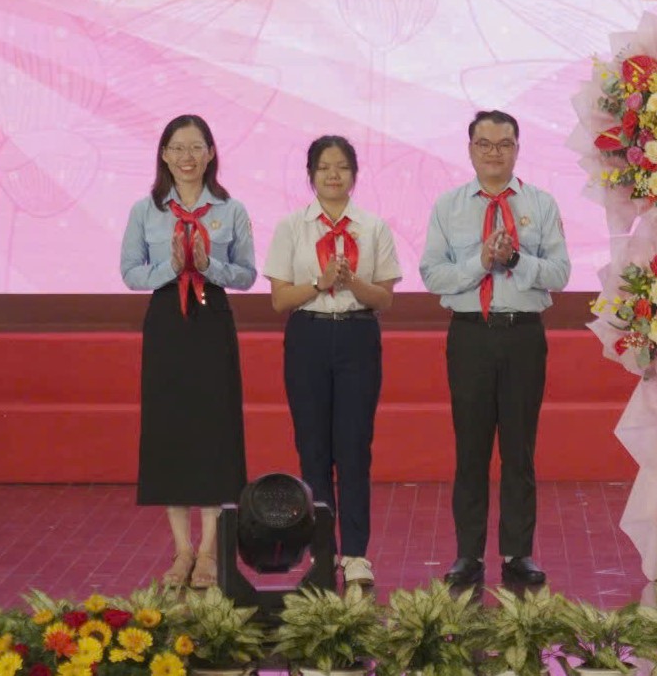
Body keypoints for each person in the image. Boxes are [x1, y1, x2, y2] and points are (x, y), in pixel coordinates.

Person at [418, 109, 570, 588]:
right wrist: (481, 261)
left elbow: (560, 273)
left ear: (517, 150)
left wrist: (516, 259)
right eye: (484, 144)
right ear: (470, 150)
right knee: (471, 449)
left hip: (523, 334)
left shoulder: (541, 203)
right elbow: (432, 274)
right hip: (471, 335)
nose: (494, 153)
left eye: (504, 144)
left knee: (520, 451)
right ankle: (467, 554)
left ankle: (517, 553)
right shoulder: (448, 206)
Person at [119, 113, 257, 589]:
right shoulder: (146, 210)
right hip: (166, 323)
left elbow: (247, 275)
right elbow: (130, 272)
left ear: (211, 153)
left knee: (213, 433)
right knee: (171, 433)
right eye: (177, 148)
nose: (187, 157)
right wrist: (171, 268)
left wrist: (208, 264)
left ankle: (209, 553)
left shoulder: (231, 209)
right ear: (163, 155)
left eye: (196, 147)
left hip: (211, 321)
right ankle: (181, 551)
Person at [262, 135, 401, 592]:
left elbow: (385, 298)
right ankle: (323, 552)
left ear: (355, 175)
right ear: (311, 175)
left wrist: (353, 282)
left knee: (355, 448)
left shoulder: (373, 227)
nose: (333, 175)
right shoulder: (292, 227)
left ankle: (356, 554)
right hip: (309, 335)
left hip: (358, 335)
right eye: (324, 167)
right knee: (313, 449)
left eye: (342, 167)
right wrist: (321, 283)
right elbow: (280, 299)